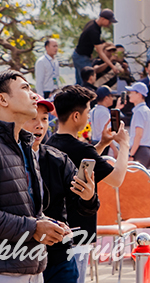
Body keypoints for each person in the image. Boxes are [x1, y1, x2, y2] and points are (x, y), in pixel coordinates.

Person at [0, 71, 73, 282]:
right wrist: (34, 227)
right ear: (3, 99)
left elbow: (21, 209)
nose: (34, 95)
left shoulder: (23, 144)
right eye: (25, 88)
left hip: (30, 264)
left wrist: (46, 224)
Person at [47, 85, 130, 283]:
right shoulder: (79, 148)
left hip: (56, 231)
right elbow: (117, 179)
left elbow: (85, 165)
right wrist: (124, 144)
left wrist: (101, 144)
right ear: (76, 116)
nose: (89, 117)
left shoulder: (49, 144)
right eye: (88, 112)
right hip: (79, 230)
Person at [27, 98, 97, 283]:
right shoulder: (6, 159)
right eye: (33, 119)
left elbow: (83, 205)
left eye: (44, 119)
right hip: (21, 255)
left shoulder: (57, 159)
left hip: (58, 255)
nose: (40, 126)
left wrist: (88, 196)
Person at [71, 9, 117, 85]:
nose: (109, 24)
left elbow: (89, 41)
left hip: (80, 55)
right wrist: (112, 66)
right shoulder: (93, 31)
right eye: (109, 21)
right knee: (89, 80)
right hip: (81, 57)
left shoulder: (93, 24)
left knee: (80, 82)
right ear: (102, 19)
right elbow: (100, 52)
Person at [125, 83, 150, 167]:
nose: (129, 95)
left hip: (139, 151)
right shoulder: (145, 110)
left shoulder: (140, 111)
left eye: (132, 92)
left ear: (139, 94)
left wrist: (131, 154)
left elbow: (138, 135)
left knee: (136, 178)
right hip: (143, 150)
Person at [89, 86, 115, 151]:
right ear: (106, 98)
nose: (112, 98)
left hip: (93, 142)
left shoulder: (93, 110)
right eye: (111, 96)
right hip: (103, 144)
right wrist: (115, 149)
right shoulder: (104, 112)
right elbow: (107, 133)